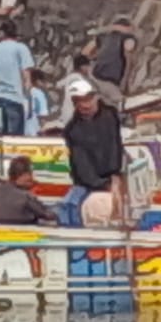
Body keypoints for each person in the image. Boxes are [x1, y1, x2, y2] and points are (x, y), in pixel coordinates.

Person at [61, 79, 126, 228]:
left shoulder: (110, 115)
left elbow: (114, 145)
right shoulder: (73, 130)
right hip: (90, 184)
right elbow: (81, 164)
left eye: (88, 99)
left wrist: (115, 176)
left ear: (95, 97)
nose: (85, 105)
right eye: (80, 101)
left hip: (113, 177)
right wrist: (103, 185)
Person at [0, 20, 34, 137]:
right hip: (15, 101)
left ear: (2, 33)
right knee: (14, 141)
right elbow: (27, 79)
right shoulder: (21, 48)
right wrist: (29, 104)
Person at [0, 157, 59, 226]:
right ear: (23, 175)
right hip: (21, 228)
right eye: (30, 173)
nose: (32, 177)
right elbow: (47, 215)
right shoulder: (26, 196)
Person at [84, 17, 137, 108]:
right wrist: (125, 83)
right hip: (112, 81)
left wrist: (96, 59)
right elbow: (128, 62)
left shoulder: (102, 37)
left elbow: (86, 52)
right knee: (117, 108)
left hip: (96, 78)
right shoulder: (128, 39)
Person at [54, 54, 93, 130]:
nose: (89, 68)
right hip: (75, 116)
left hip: (66, 114)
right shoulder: (81, 80)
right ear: (82, 66)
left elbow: (57, 85)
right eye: (88, 66)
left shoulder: (70, 77)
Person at [24, 69, 51, 136]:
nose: (46, 84)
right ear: (38, 81)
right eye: (44, 82)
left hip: (23, 131)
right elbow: (42, 116)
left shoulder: (25, 92)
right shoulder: (39, 94)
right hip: (34, 131)